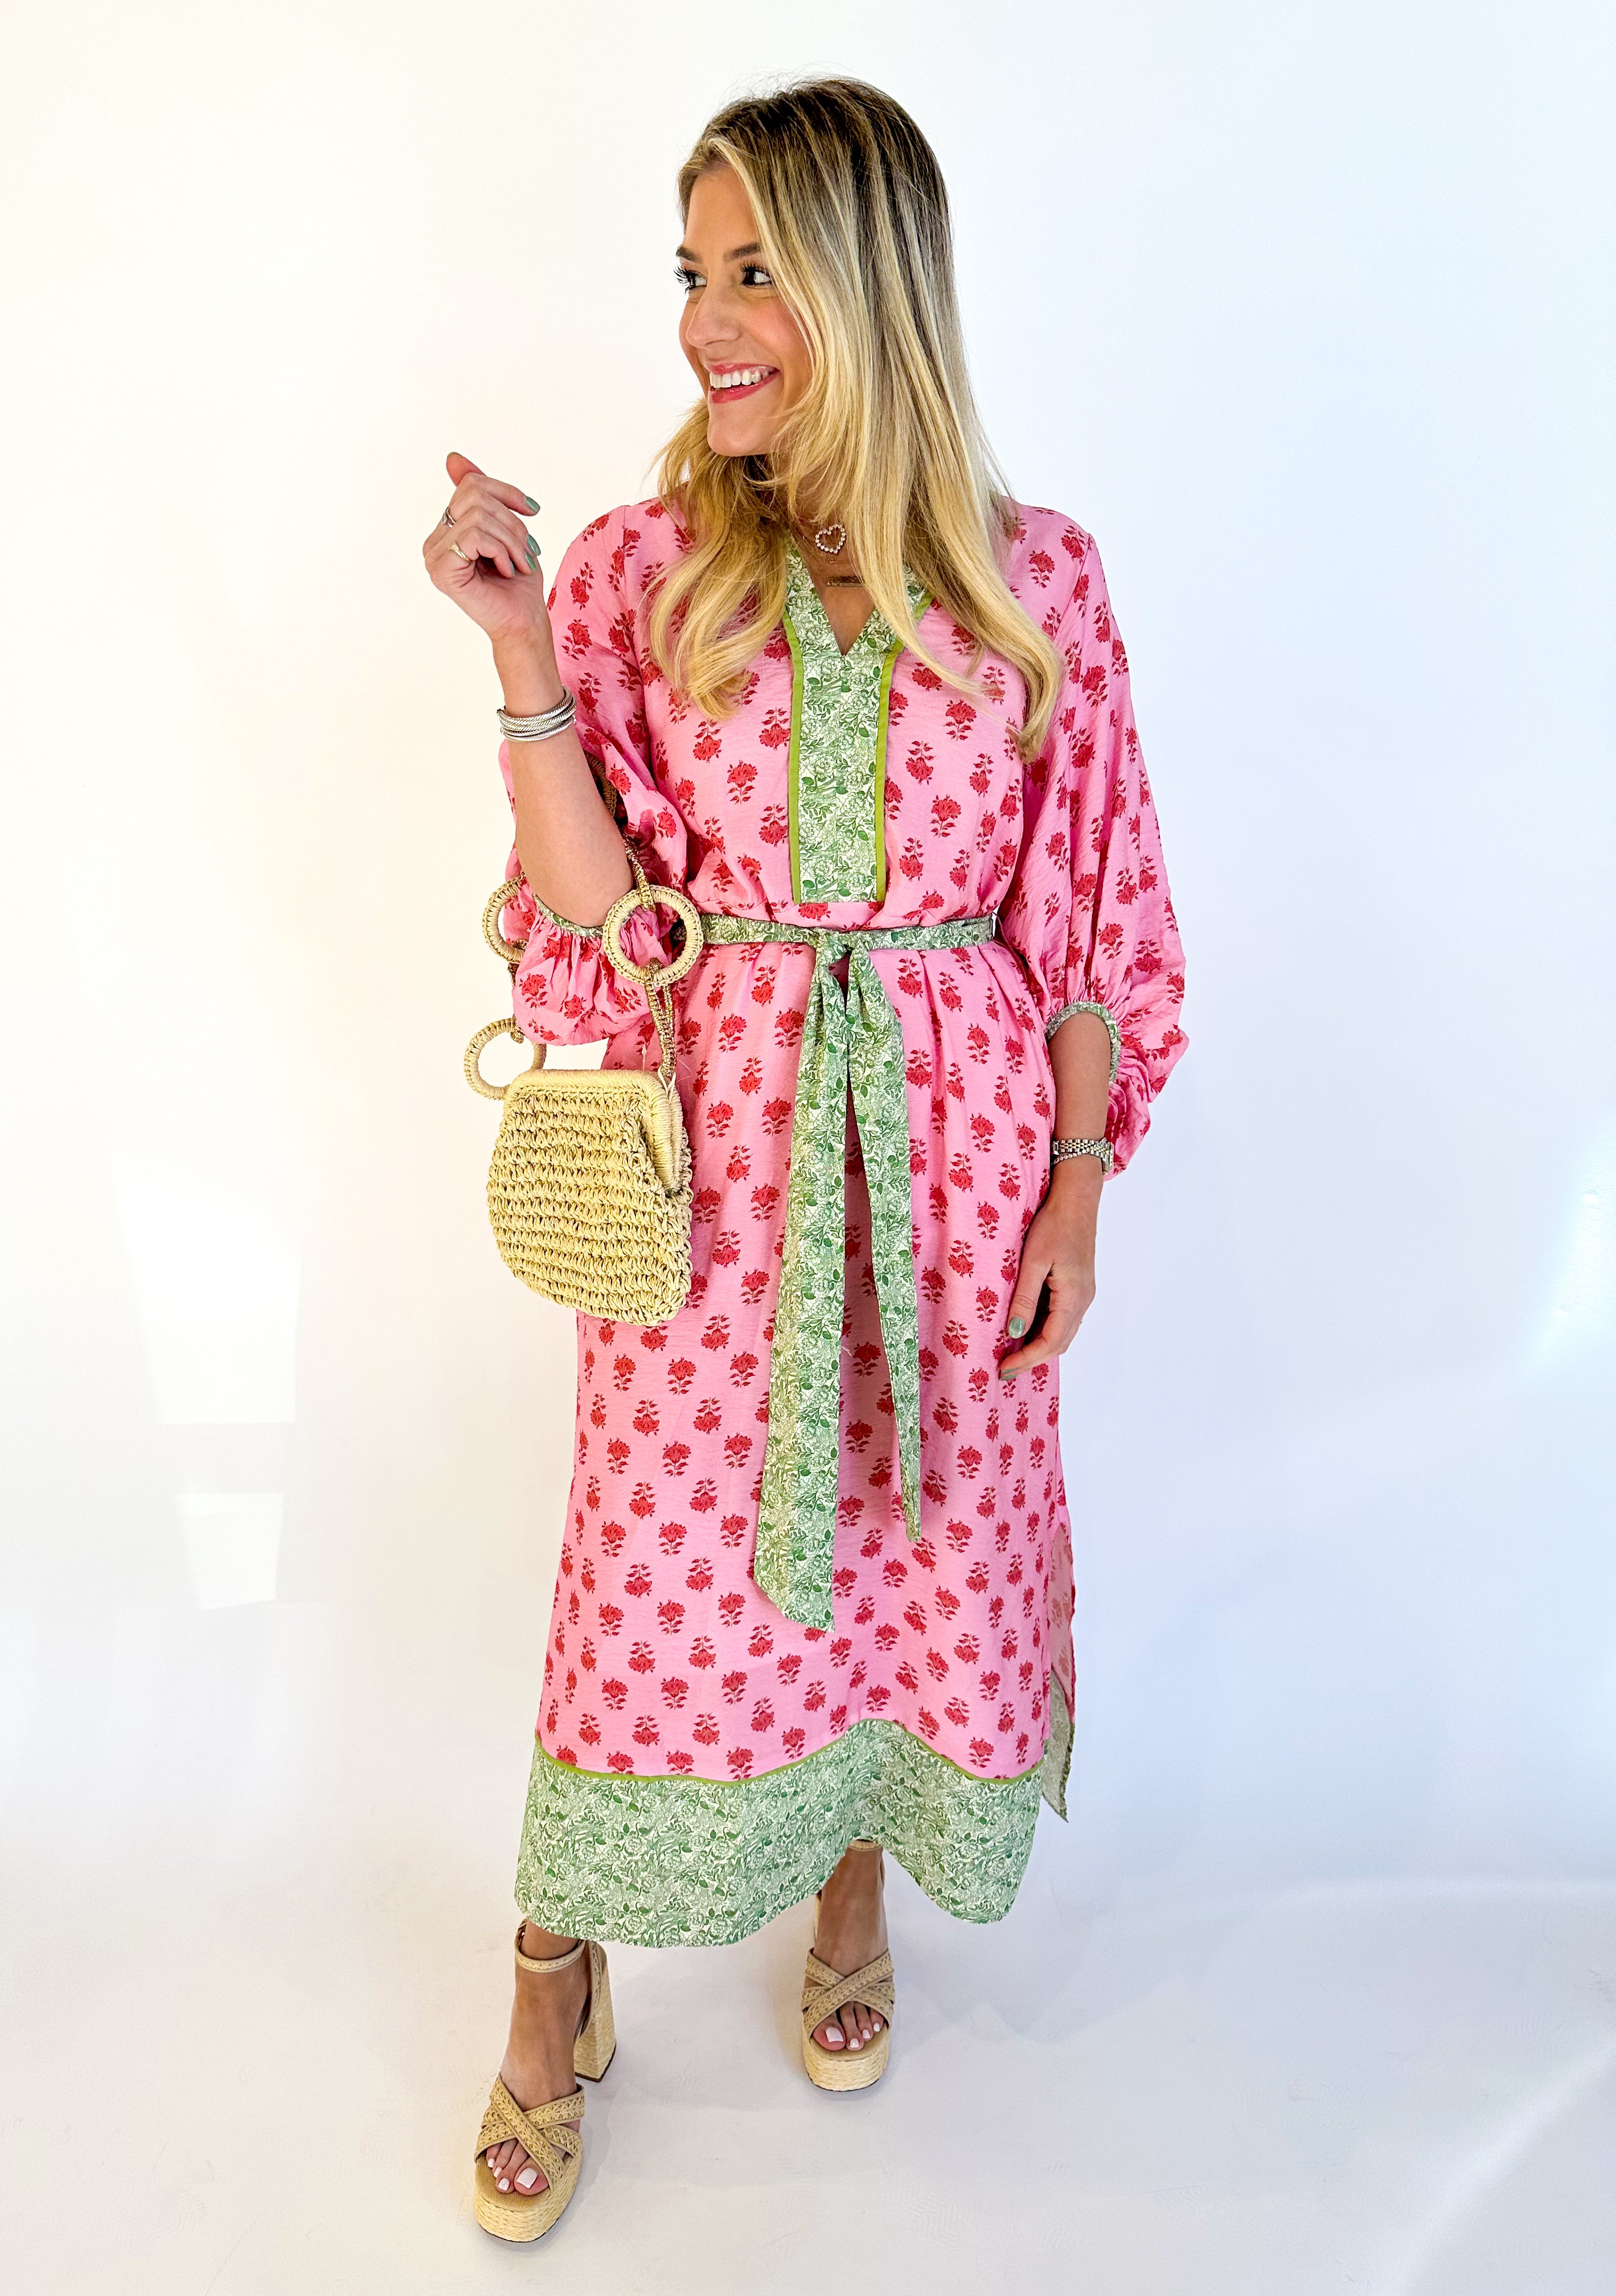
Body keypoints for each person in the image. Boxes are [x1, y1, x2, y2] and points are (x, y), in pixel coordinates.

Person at [423, 75, 1187, 2242]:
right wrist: (521, 651)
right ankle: (554, 1978)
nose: (706, 321)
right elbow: (603, 927)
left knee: (904, 1549)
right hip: (727, 1180)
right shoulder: (644, 568)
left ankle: (853, 1902)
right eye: (692, 271)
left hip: (956, 1173)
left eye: (755, 270)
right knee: (645, 1577)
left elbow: (1089, 917)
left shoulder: (1040, 578)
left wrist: (1075, 1190)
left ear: (870, 285)